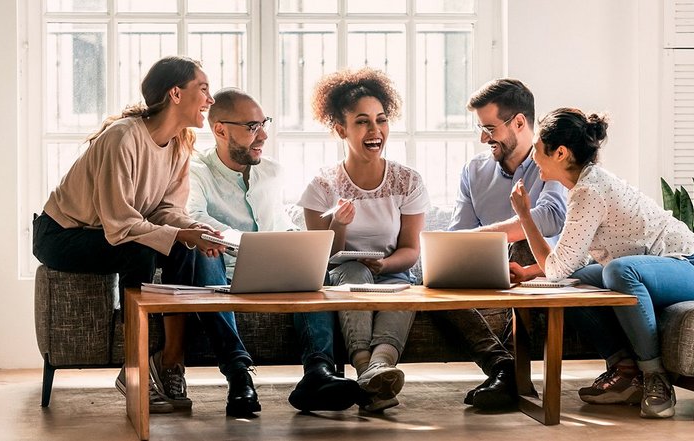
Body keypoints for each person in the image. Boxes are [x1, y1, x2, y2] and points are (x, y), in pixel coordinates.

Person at [31, 55, 242, 415]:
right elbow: (121, 226)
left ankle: (171, 362)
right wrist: (179, 232)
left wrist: (192, 229)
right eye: (203, 89)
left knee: (185, 247)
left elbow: (165, 209)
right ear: (176, 93)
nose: (210, 99)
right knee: (139, 251)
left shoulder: (180, 142)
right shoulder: (123, 138)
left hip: (107, 230)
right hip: (62, 234)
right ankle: (135, 367)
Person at [509, 107, 694, 419]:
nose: (533, 155)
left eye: (538, 147)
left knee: (619, 270)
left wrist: (525, 216)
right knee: (575, 282)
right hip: (664, 269)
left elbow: (556, 268)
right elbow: (571, 262)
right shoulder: (584, 187)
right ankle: (625, 371)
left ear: (561, 153)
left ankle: (655, 377)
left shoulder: (589, 190)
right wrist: (528, 273)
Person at [187, 87, 363, 413]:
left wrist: (305, 244)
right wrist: (248, 245)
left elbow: (281, 225)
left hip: (272, 272)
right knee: (203, 252)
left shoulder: (272, 172)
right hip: (222, 274)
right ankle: (239, 376)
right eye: (252, 127)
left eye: (263, 124)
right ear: (220, 130)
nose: (263, 135)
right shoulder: (195, 170)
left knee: (312, 267)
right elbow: (195, 218)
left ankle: (318, 373)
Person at [298, 68, 430, 412]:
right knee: (353, 272)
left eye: (381, 120)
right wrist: (338, 225)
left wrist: (384, 264)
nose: (375, 130)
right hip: (344, 274)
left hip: (393, 270)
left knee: (403, 287)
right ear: (341, 129)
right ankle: (368, 370)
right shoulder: (322, 185)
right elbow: (321, 257)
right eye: (362, 122)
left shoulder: (408, 181)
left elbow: (411, 251)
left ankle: (378, 367)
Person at [432, 79, 567, 410]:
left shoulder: (551, 160)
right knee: (436, 276)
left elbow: (551, 217)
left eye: (490, 128)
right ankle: (503, 367)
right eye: (481, 128)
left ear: (519, 122)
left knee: (522, 245)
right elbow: (459, 234)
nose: (483, 138)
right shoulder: (474, 170)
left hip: (540, 272)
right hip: (489, 274)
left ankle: (506, 373)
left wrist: (484, 237)